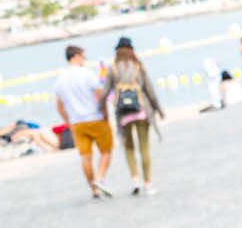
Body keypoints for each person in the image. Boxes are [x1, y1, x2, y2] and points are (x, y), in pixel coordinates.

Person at [52, 44, 114, 199]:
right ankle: (99, 178)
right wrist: (105, 112)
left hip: (76, 123)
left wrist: (67, 120)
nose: (84, 60)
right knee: (106, 151)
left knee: (85, 157)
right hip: (95, 118)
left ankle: (93, 190)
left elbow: (59, 105)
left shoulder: (61, 79)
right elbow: (100, 94)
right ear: (76, 56)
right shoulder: (86, 74)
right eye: (83, 56)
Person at [107, 37, 165, 196]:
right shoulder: (138, 66)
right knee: (144, 147)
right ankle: (147, 183)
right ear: (131, 50)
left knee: (128, 147)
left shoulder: (112, 69)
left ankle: (135, 178)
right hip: (141, 111)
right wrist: (158, 109)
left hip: (123, 114)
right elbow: (150, 90)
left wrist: (102, 112)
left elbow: (106, 92)